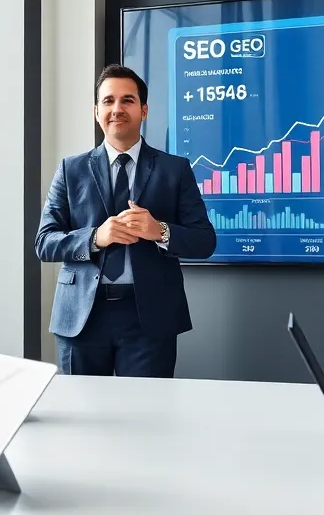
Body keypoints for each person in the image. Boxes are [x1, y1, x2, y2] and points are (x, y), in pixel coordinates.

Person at [36, 64, 217, 377]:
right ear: (96, 111)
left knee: (146, 419)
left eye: (127, 101)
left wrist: (158, 230)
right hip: (81, 317)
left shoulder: (175, 170)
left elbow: (205, 240)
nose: (117, 109)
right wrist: (95, 238)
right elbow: (45, 242)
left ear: (143, 110)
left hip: (148, 317)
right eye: (108, 101)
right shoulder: (70, 169)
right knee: (80, 418)